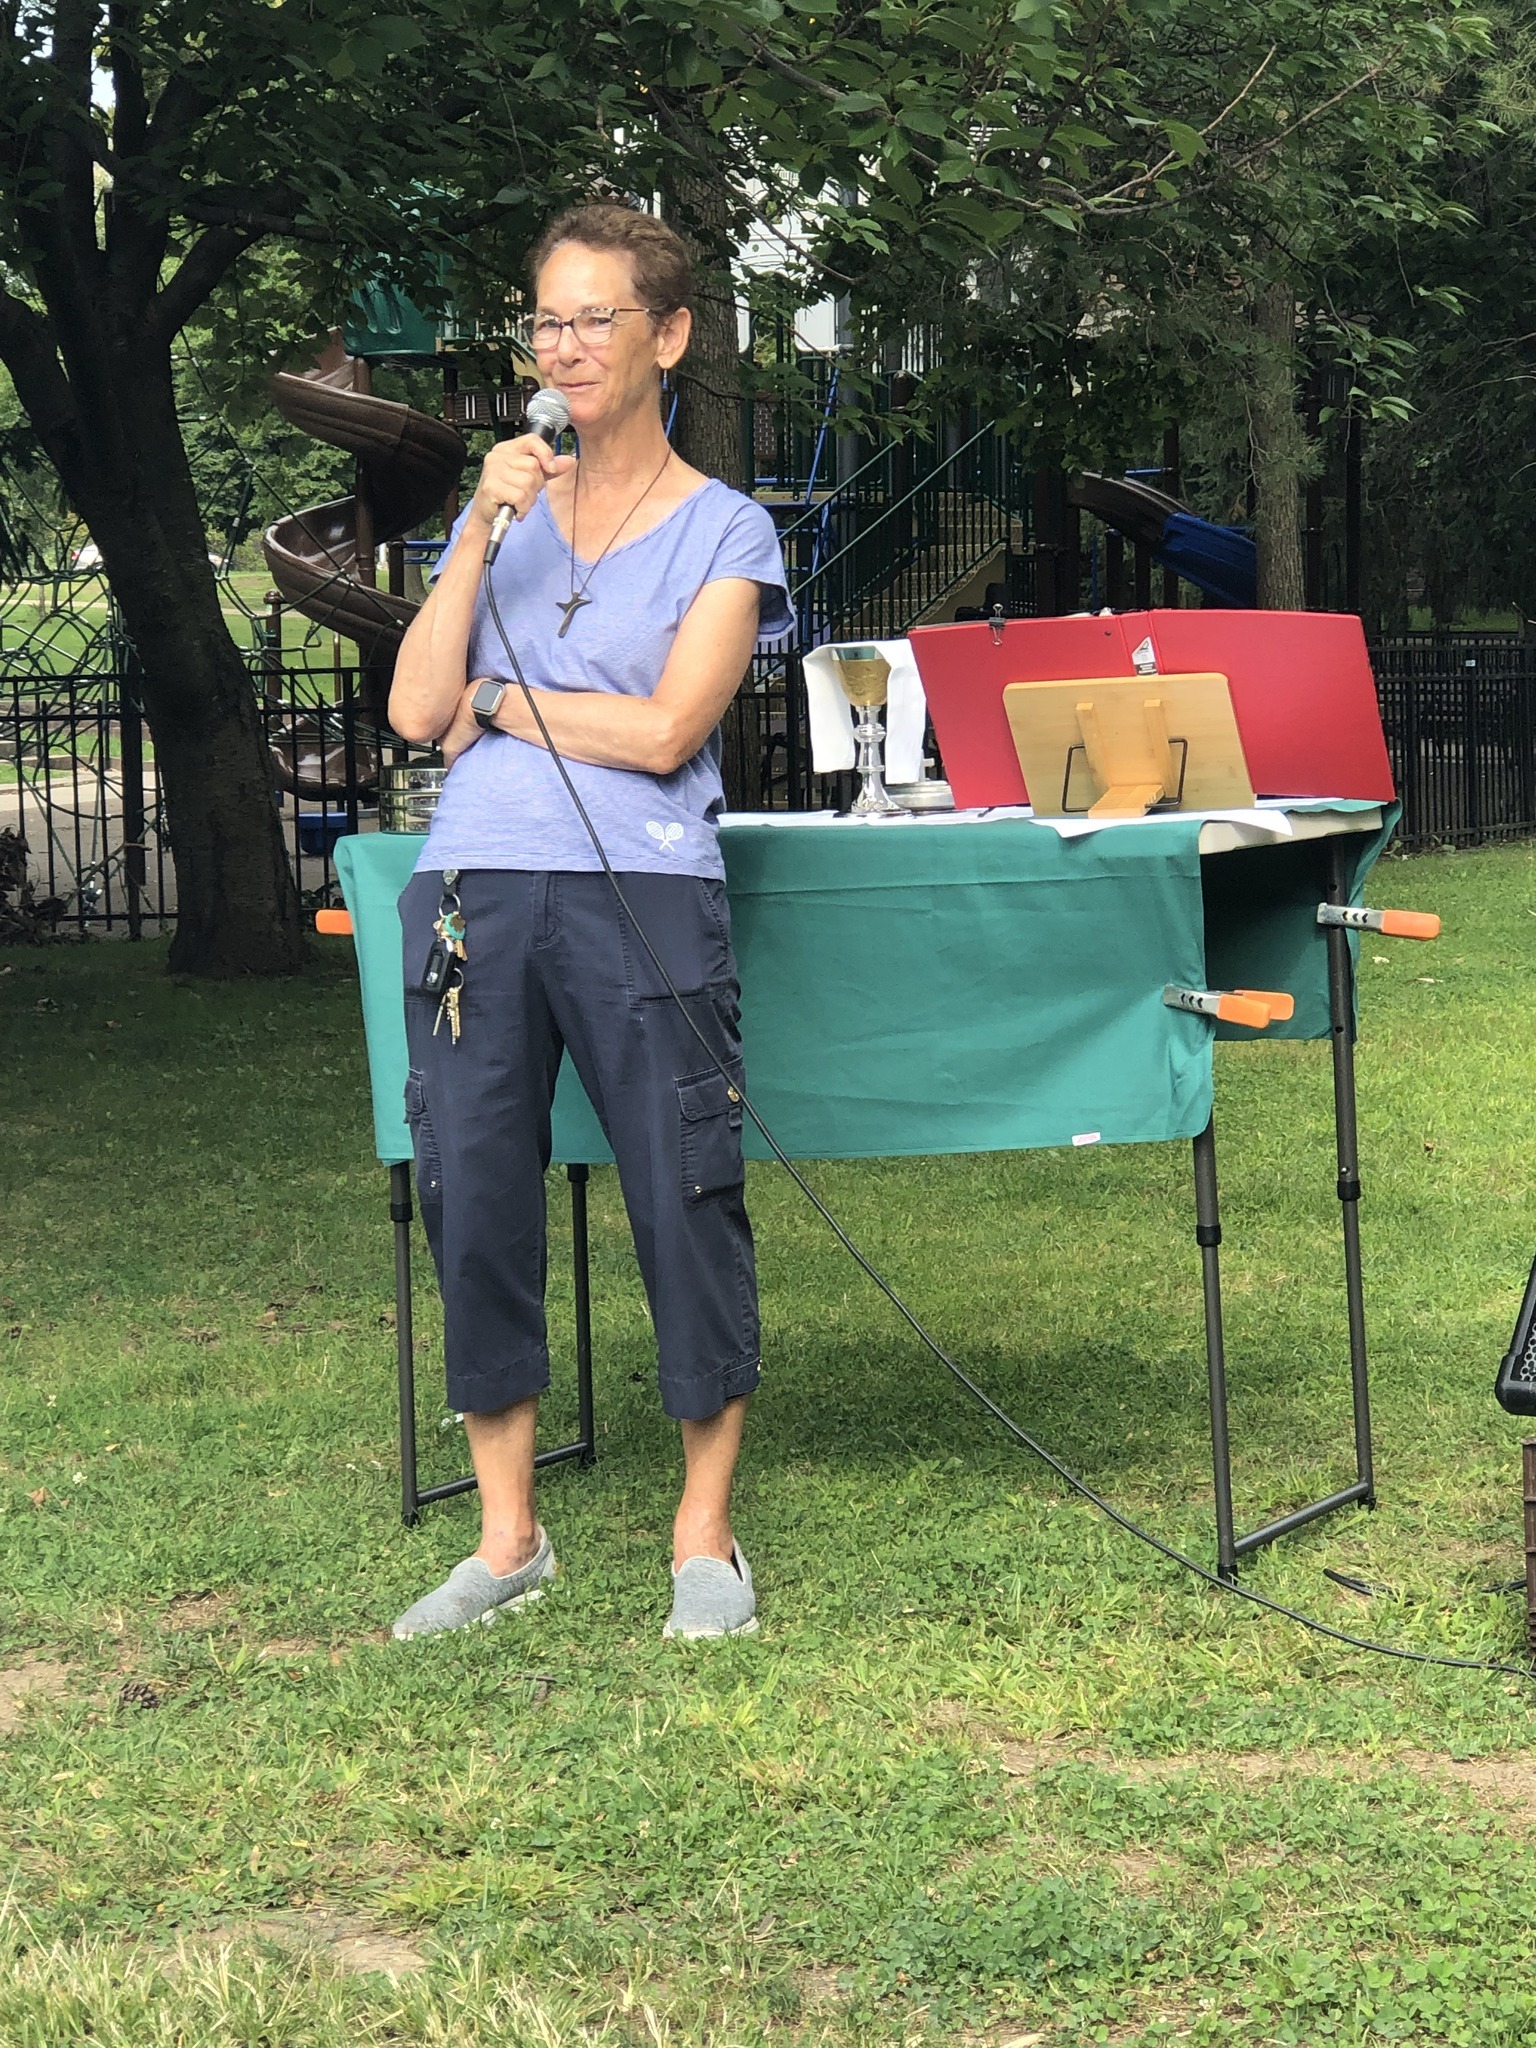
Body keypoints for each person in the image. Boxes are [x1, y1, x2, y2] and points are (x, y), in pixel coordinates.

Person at [386, 202, 791, 1642]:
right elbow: (417, 708)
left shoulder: (725, 528)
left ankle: (705, 1539)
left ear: (668, 335)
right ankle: (509, 1540)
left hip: (646, 893)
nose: (563, 348)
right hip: (473, 895)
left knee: (685, 1191)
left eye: (593, 318)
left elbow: (677, 725)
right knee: (474, 1195)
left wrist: (507, 706)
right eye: (545, 322)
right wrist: (479, 534)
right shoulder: (492, 519)